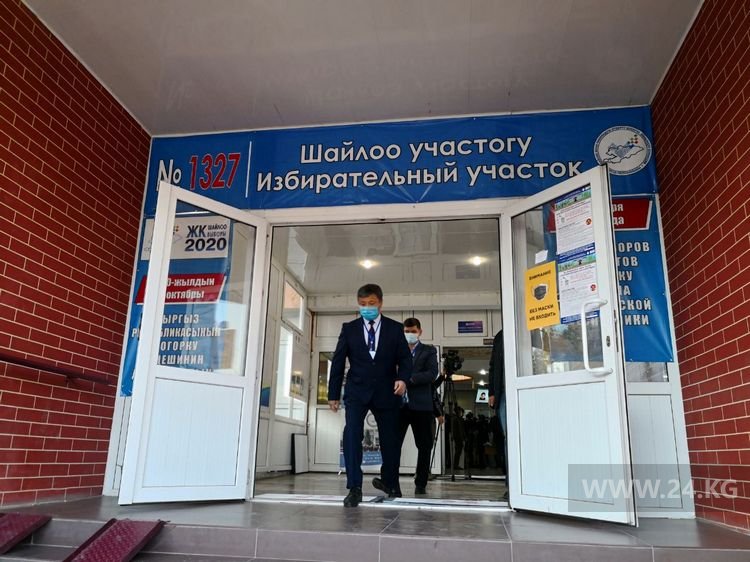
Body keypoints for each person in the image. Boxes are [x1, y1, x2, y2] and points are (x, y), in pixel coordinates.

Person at [327, 284, 412, 507]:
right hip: (357, 391)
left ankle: (391, 483)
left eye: (371, 304)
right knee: (352, 434)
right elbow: (338, 361)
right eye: (362, 304)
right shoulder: (349, 329)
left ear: (380, 303)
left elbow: (405, 359)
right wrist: (333, 393)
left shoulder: (395, 329)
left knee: (390, 439)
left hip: (387, 391)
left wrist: (403, 379)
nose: (367, 308)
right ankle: (354, 487)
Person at [397, 317, 439, 496]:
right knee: (393, 444)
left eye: (413, 331)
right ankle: (390, 480)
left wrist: (408, 380)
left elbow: (432, 373)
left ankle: (421, 483)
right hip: (399, 406)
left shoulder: (429, 350)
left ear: (420, 332)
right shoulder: (396, 351)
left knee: (424, 445)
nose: (410, 334)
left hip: (421, 406)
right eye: (406, 332)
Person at [488, 329, 509, 501]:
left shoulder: (531, 327)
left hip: (526, 387)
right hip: (503, 393)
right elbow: (493, 365)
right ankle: (512, 485)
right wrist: (492, 392)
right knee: (509, 439)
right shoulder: (500, 337)